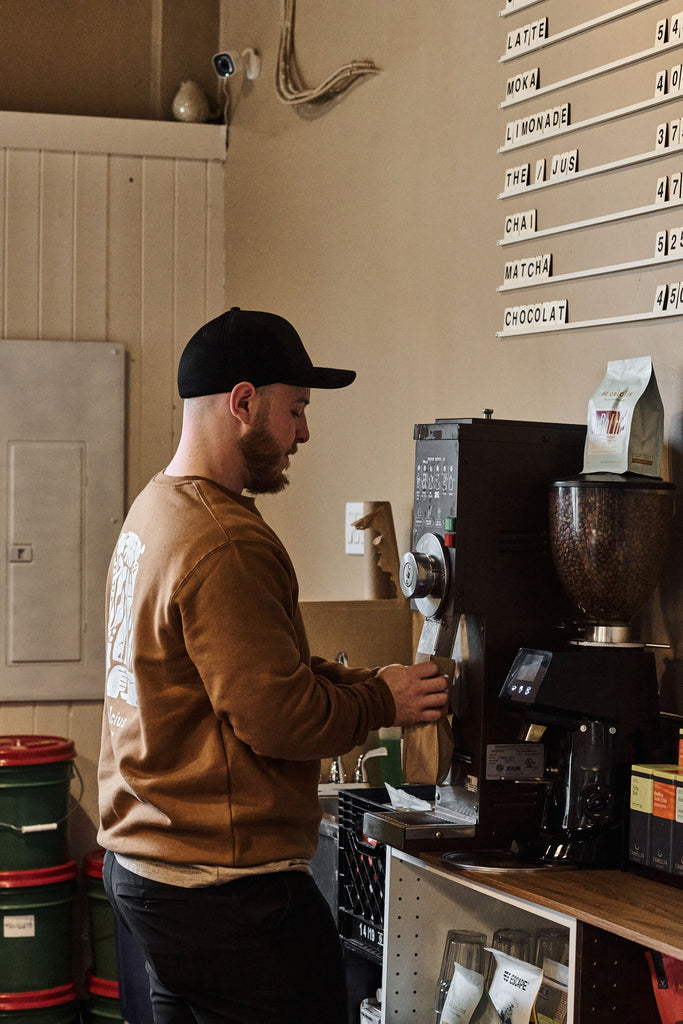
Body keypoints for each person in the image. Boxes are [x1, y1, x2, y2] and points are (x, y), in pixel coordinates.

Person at [98, 306, 449, 1024]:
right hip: (223, 891)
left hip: (147, 871)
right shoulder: (224, 539)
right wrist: (380, 703)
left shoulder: (156, 512)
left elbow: (248, 673)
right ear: (242, 402)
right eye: (295, 410)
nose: (303, 432)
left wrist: (368, 683)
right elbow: (278, 719)